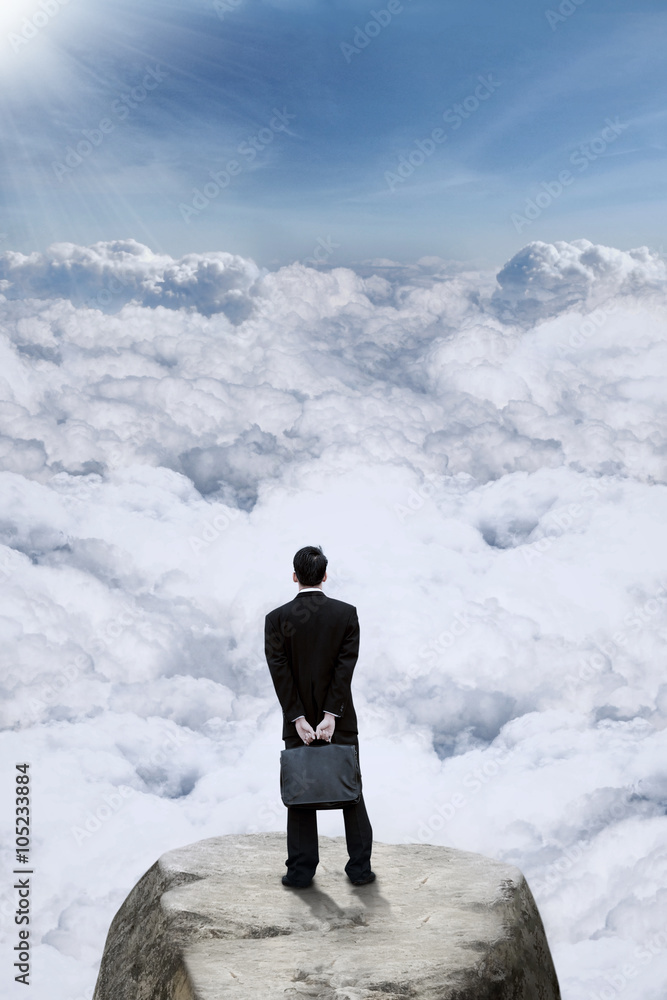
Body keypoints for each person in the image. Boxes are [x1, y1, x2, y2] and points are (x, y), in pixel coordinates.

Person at [264, 545, 375, 888]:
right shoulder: (346, 614)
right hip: (339, 717)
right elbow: (345, 668)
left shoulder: (276, 619)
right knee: (350, 788)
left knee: (301, 790)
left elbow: (279, 672)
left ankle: (300, 872)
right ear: (324, 576)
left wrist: (298, 718)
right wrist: (332, 715)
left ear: (295, 576)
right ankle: (359, 870)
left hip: (296, 720)